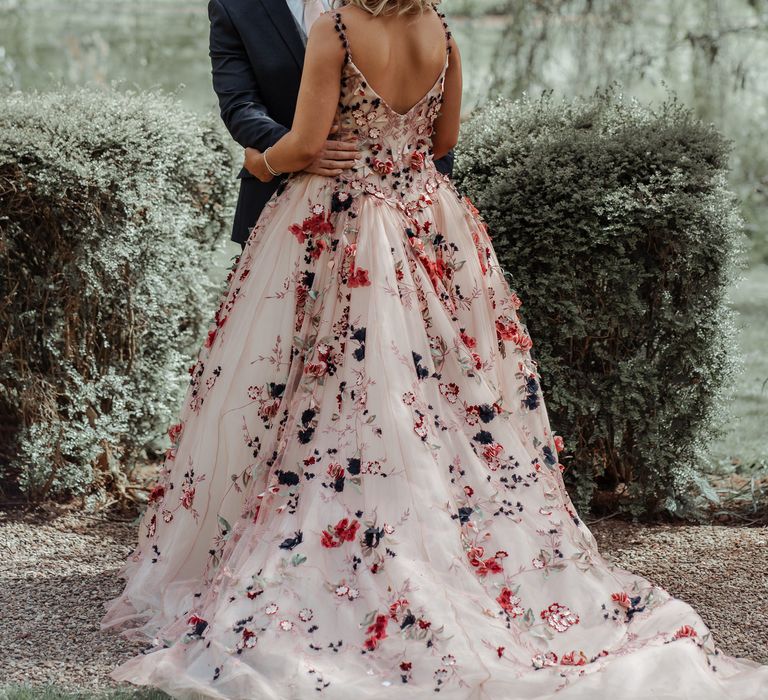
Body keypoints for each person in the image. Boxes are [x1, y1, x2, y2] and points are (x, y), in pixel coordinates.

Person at [100, 1, 768, 698]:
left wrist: (260, 157)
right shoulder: (443, 30)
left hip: (345, 225)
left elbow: (303, 147)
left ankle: (358, 541)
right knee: (439, 396)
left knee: (340, 392)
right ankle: (439, 541)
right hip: (432, 222)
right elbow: (442, 143)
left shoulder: (334, 31)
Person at [207, 0, 454, 251]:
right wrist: (292, 152)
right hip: (283, 209)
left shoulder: (339, 23)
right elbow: (240, 105)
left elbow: (304, 146)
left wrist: (267, 162)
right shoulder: (438, 27)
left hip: (405, 212)